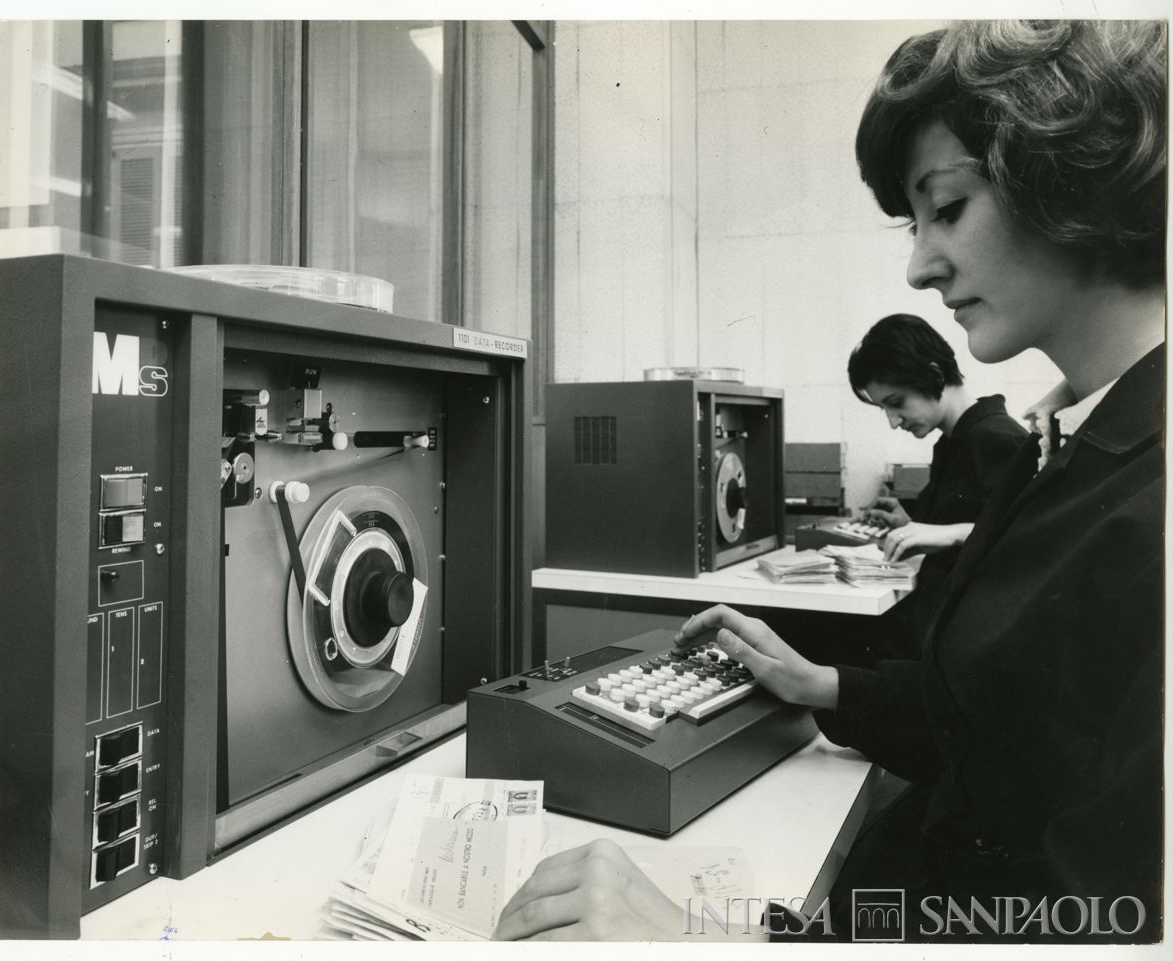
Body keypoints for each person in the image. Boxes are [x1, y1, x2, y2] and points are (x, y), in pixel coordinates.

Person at [494, 20, 1164, 942]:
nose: (921, 263)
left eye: (949, 207)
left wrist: (717, 942)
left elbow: (1096, 921)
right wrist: (820, 685)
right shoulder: (1066, 440)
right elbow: (984, 722)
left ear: (1070, 181)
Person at [848, 313, 1029, 651]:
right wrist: (910, 525)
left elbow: (1027, 545)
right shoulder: (954, 441)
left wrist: (951, 533)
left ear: (933, 374)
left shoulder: (997, 440)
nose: (892, 421)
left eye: (895, 403)